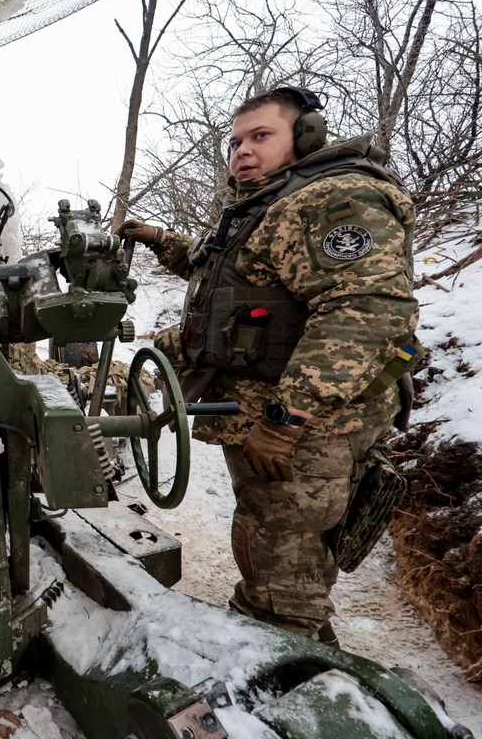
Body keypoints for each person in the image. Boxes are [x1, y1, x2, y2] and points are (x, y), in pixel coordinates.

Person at [119, 86, 421, 645]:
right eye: (235, 142)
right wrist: (164, 241)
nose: (242, 152)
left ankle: (290, 672)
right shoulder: (271, 204)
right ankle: (276, 639)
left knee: (285, 570)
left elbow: (365, 312)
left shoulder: (334, 201)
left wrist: (287, 420)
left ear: (306, 137)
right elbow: (228, 270)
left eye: (261, 136)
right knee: (270, 541)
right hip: (274, 414)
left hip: (308, 427)